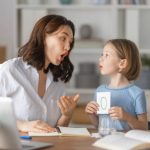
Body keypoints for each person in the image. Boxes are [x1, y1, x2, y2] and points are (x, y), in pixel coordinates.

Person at [0, 15, 79, 133]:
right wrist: (22, 125)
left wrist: (66, 115)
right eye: (63, 38)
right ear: (43, 37)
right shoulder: (9, 71)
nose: (67, 47)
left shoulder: (59, 82)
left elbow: (57, 131)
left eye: (70, 43)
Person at [85, 39, 148, 131]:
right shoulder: (100, 90)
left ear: (122, 63)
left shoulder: (137, 93)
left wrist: (127, 117)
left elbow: (144, 127)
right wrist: (91, 114)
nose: (100, 58)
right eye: (102, 54)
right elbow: (98, 125)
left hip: (126, 143)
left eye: (106, 55)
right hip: (104, 141)